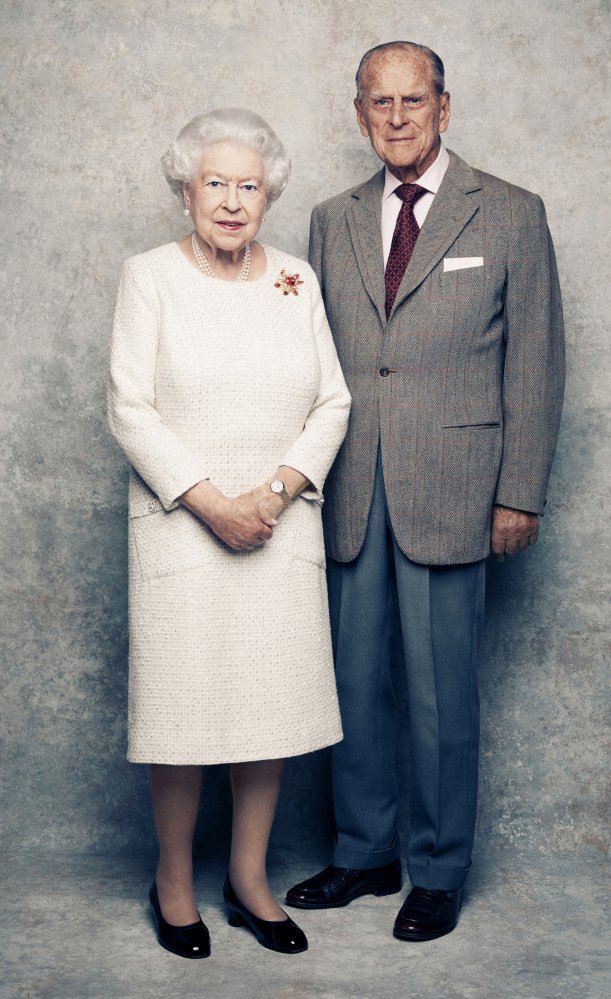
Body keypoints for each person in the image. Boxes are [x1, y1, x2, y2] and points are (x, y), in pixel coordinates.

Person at [286, 41, 565, 941]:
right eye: (379, 102)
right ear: (358, 111)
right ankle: (365, 852)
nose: (396, 117)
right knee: (353, 686)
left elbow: (536, 364)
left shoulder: (512, 213)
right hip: (348, 493)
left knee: (441, 694)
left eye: (413, 101)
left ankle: (438, 869)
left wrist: (517, 489)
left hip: (456, 488)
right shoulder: (330, 219)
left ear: (443, 107)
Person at [107, 108, 351, 958]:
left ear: (268, 196)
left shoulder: (295, 279)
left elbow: (333, 399)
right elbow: (128, 407)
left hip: (278, 528)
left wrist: (275, 494)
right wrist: (213, 502)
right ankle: (174, 880)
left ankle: (249, 879)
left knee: (266, 710)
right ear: (185, 189)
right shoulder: (149, 276)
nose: (233, 200)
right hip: (184, 529)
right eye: (216, 182)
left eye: (250, 185)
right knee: (183, 716)